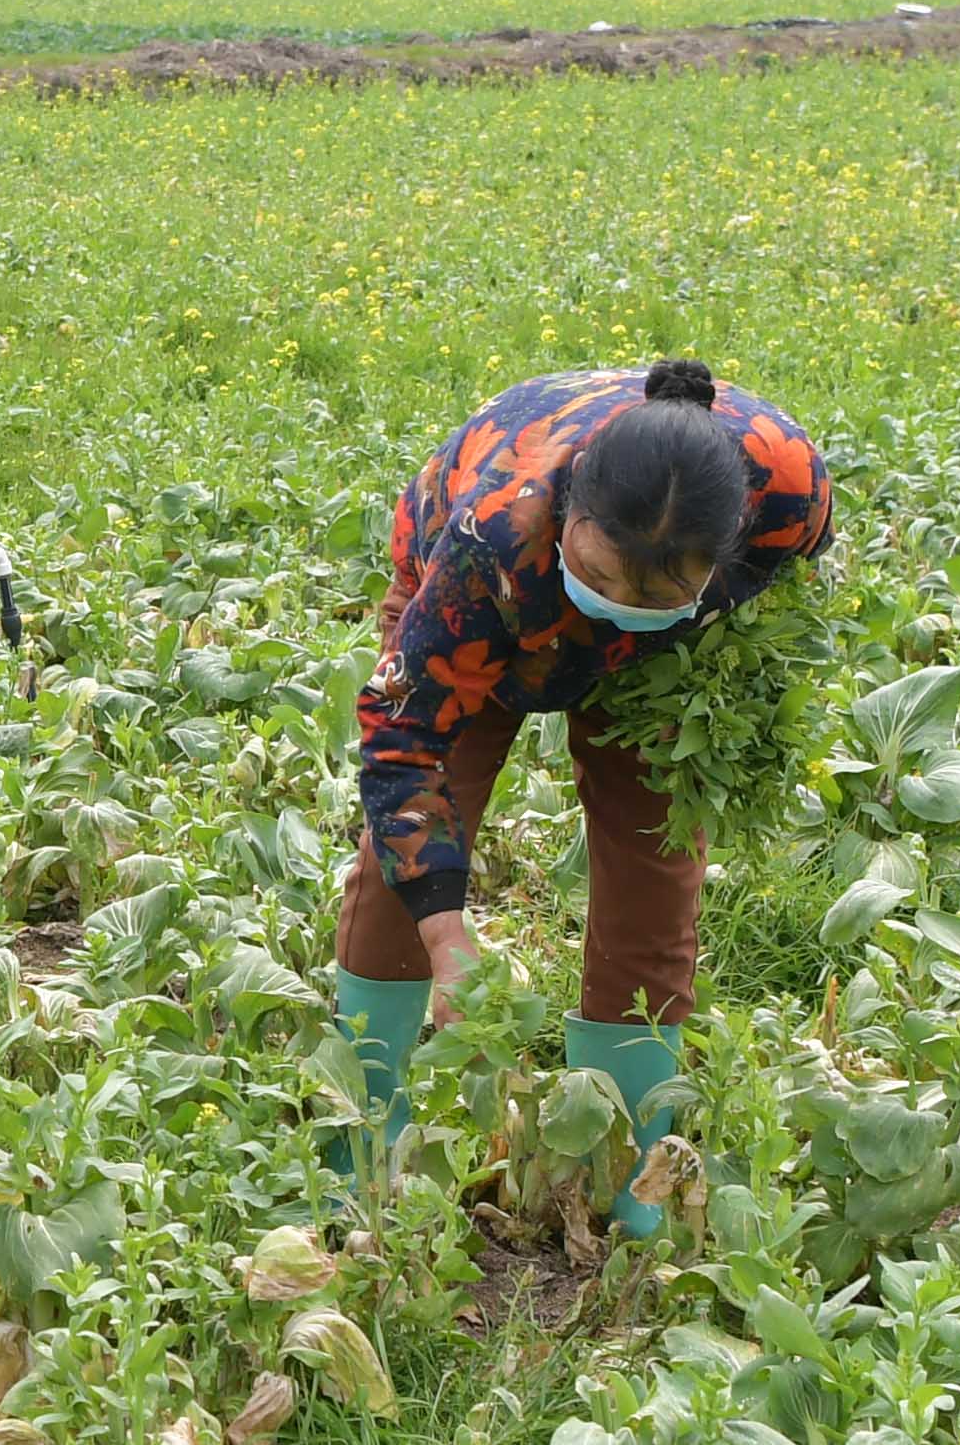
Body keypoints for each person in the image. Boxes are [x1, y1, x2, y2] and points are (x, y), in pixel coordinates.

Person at [338, 360, 829, 1237]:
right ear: (572, 518)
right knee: (401, 872)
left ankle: (634, 1177)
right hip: (491, 609)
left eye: (654, 589)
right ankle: (361, 1139)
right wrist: (450, 938)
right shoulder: (492, 541)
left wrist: (699, 636)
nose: (617, 603)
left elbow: (794, 585)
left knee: (656, 874)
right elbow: (403, 739)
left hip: (669, 659)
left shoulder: (789, 489)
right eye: (601, 574)